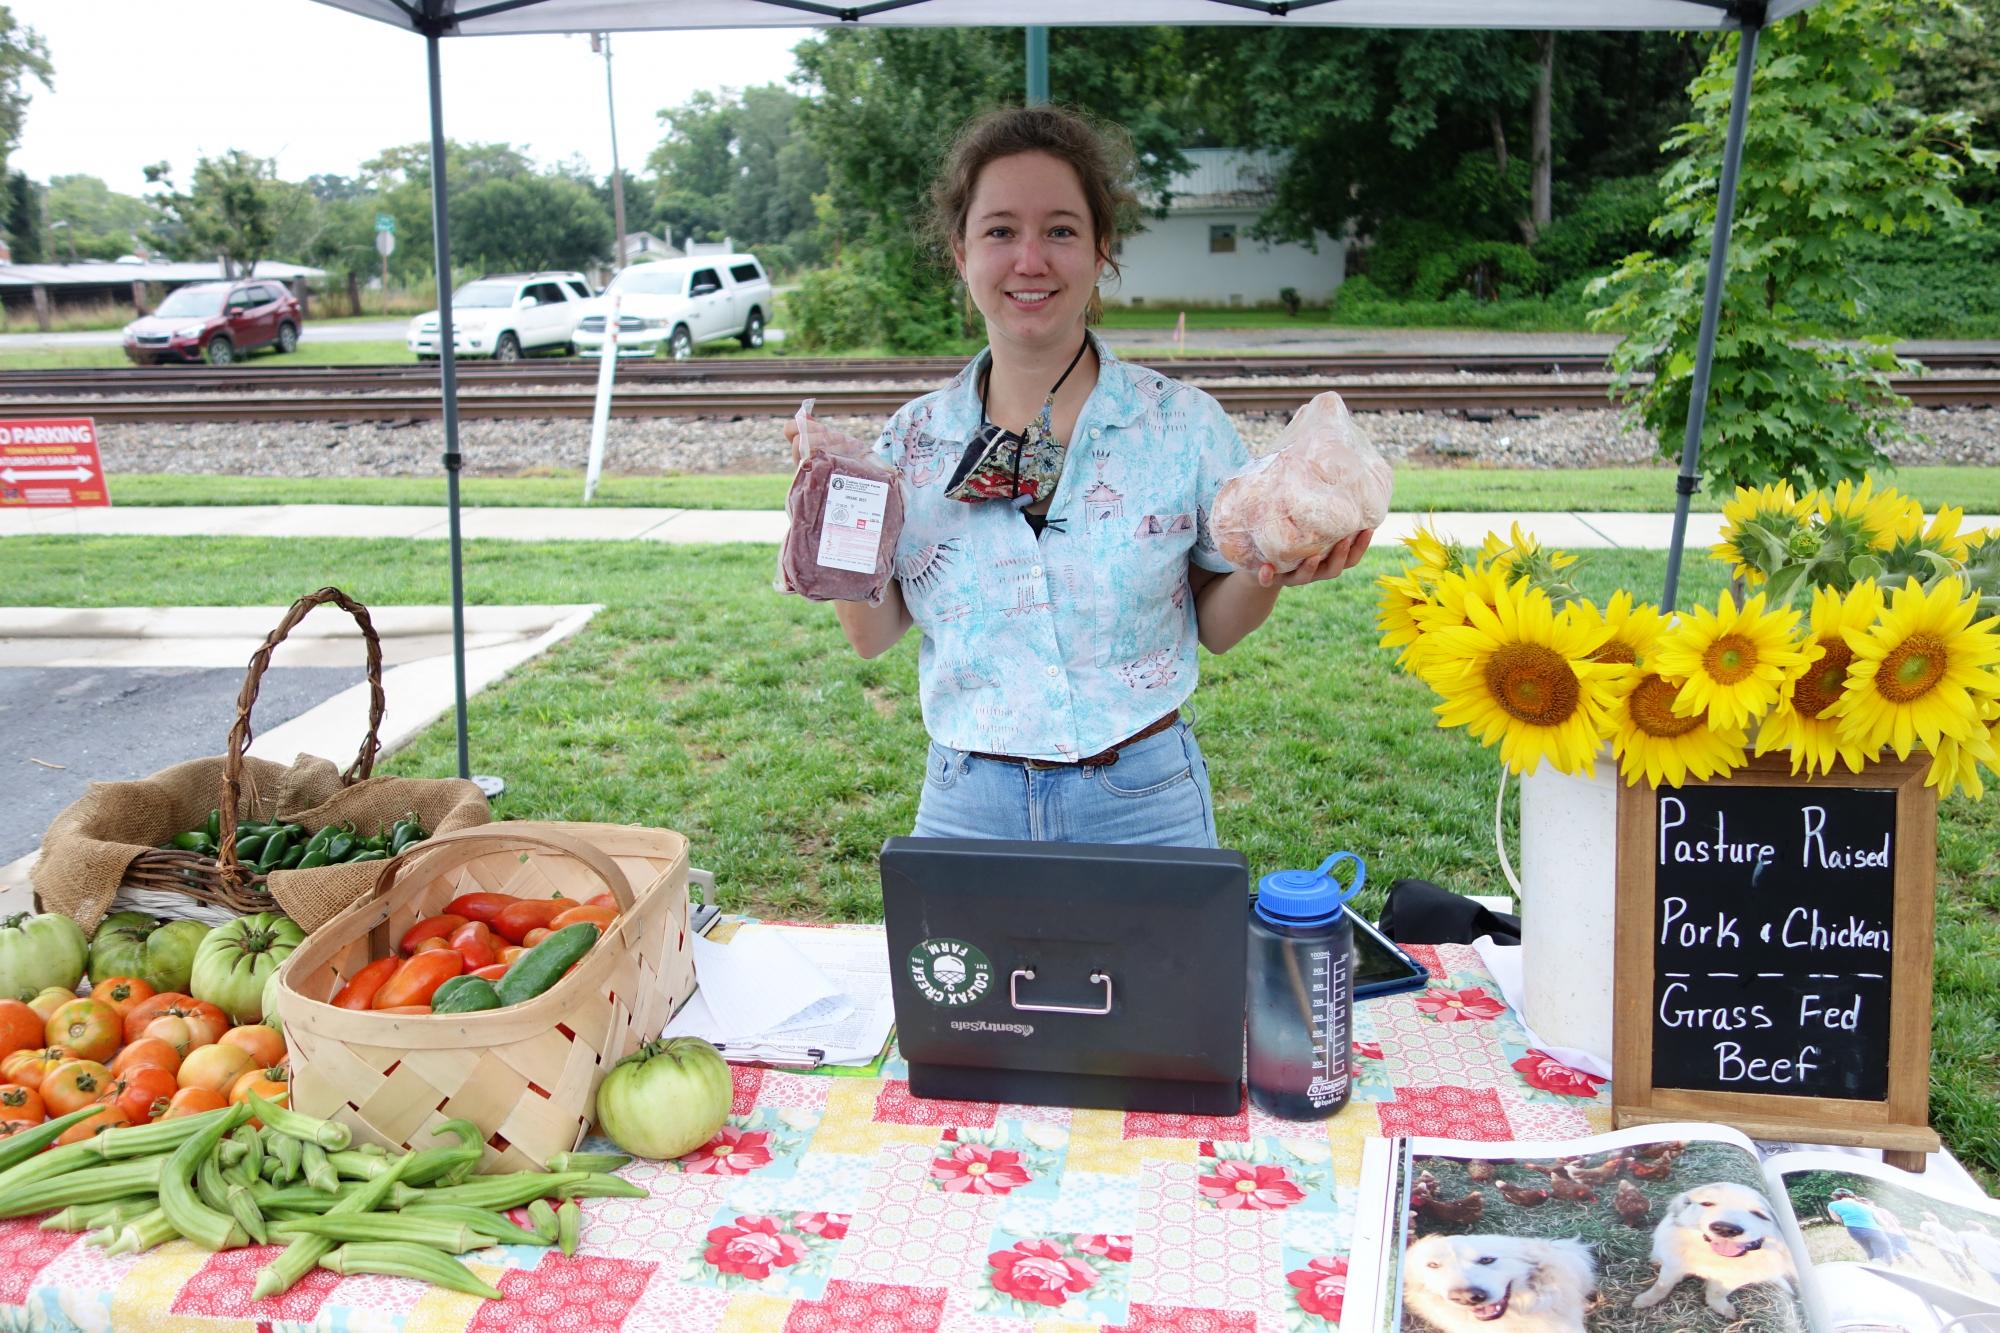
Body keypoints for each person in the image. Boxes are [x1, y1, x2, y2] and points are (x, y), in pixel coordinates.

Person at [786, 105, 1372, 848]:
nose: (1030, 259)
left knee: (1163, 973)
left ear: (1101, 252)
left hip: (1143, 801)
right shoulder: (911, 441)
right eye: (1000, 230)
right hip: (969, 807)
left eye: (1060, 230)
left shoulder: (1182, 425)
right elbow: (872, 635)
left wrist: (1271, 568)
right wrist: (832, 503)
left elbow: (1217, 628)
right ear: (961, 255)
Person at [1827, 1188, 1898, 1264]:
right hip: (1874, 1230)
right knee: (1886, 1246)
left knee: (1868, 1249)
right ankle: (1889, 1265)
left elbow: (1837, 1219)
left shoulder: (1832, 1205)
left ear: (1836, 1197)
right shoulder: (1866, 1206)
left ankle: (1874, 1263)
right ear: (1852, 1196)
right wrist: (1888, 1227)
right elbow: (1881, 1222)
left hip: (1853, 1230)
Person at [1919, 1210, 1979, 1286]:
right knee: (1964, 1265)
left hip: (1943, 1248)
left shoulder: (1926, 1224)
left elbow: (1925, 1231)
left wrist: (1926, 1216)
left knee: (1954, 1264)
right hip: (1957, 1250)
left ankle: (1964, 1280)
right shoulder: (1947, 1229)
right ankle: (1973, 1281)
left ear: (1928, 1218)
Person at [1960, 1220, 2000, 1290]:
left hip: (1989, 1267)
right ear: (1981, 1228)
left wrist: (1971, 1258)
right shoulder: (1991, 1240)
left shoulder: (1965, 1235)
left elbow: (1963, 1248)